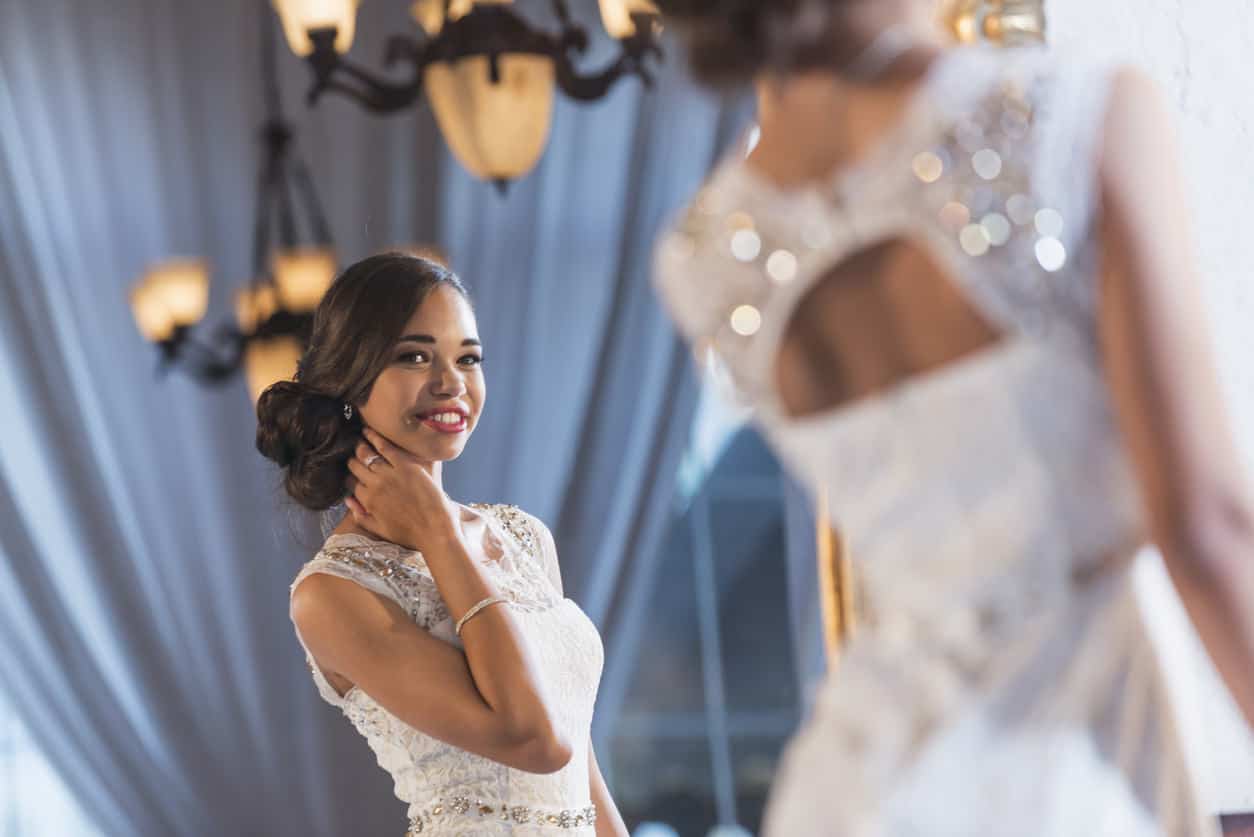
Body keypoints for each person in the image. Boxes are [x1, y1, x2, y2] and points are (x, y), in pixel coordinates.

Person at [652, 0, 1254, 834]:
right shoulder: (1068, 118)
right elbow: (1207, 529)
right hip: (1071, 754)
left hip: (857, 784)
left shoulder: (705, 253)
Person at [256, 253, 628, 836]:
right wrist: (436, 532)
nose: (451, 383)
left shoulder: (524, 539)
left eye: (468, 359)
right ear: (350, 382)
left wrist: (442, 529)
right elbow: (535, 739)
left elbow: (580, 767)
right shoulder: (331, 596)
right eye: (414, 356)